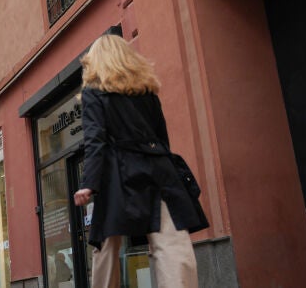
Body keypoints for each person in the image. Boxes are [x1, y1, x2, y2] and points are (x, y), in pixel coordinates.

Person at [73, 34, 209, 288]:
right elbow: (162, 138)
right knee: (171, 243)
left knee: (106, 244)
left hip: (118, 174)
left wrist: (89, 183)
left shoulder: (93, 93)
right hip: (159, 169)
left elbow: (95, 141)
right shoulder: (147, 92)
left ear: (96, 62)